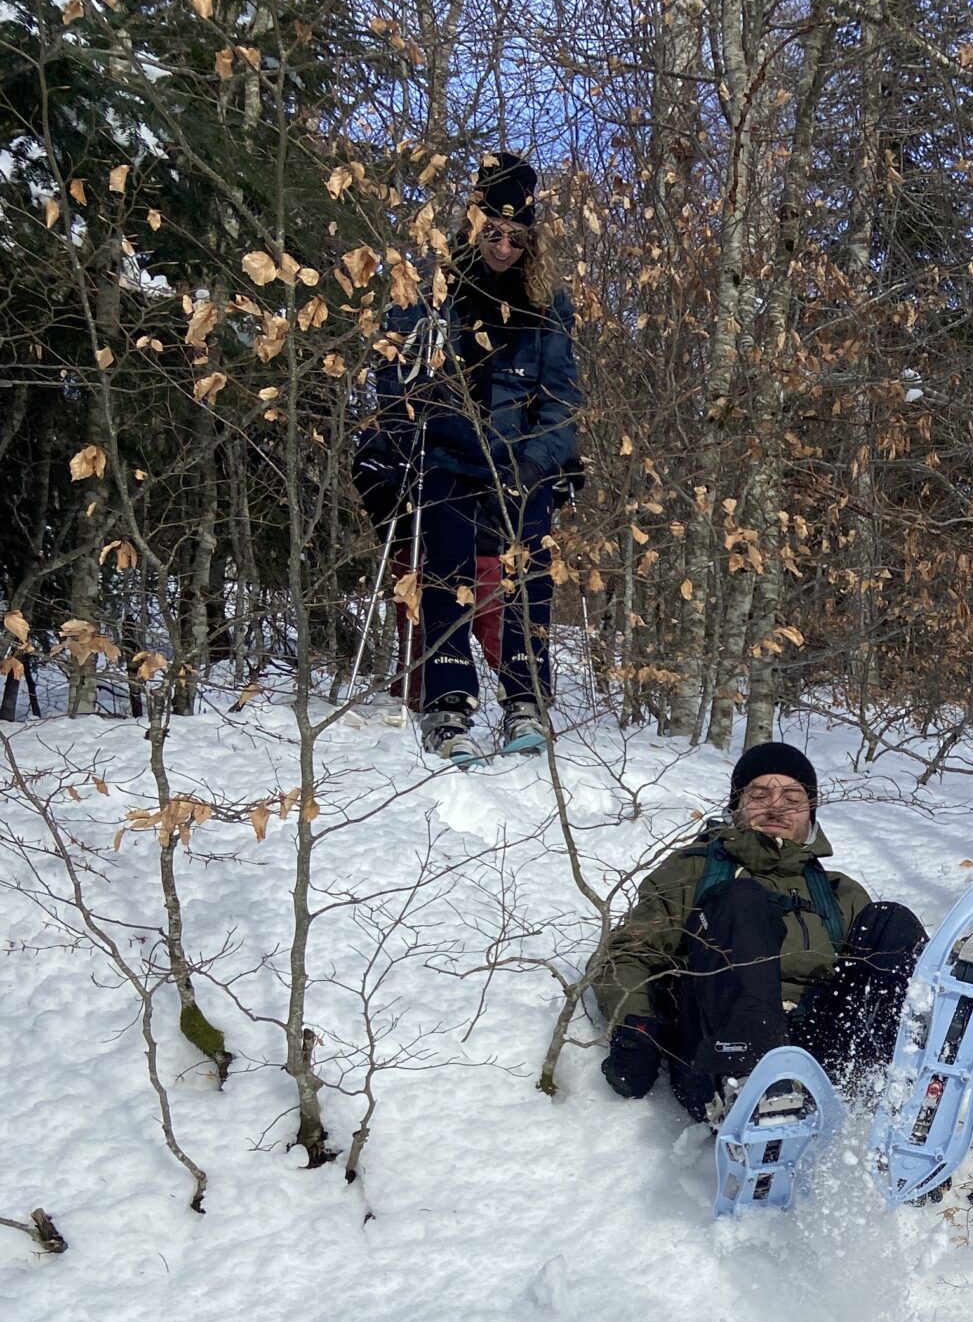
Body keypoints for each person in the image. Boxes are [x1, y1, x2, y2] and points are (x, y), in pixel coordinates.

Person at [354, 151, 581, 765]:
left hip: (521, 460)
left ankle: (525, 701)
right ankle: (447, 705)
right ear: (473, 224)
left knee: (528, 570)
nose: (504, 248)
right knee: (447, 566)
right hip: (446, 453)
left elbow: (562, 400)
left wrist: (536, 461)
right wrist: (421, 434)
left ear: (531, 242)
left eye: (517, 238)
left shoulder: (548, 305)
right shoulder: (428, 291)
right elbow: (393, 378)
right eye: (493, 233)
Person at [593, 741, 928, 1122]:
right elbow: (628, 953)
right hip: (714, 1050)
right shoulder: (693, 872)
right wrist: (636, 1026)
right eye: (759, 795)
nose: (776, 806)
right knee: (741, 899)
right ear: (736, 806)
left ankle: (899, 1084)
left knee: (890, 920)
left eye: (792, 798)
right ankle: (752, 1085)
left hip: (819, 1050)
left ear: (810, 812)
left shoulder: (839, 892)